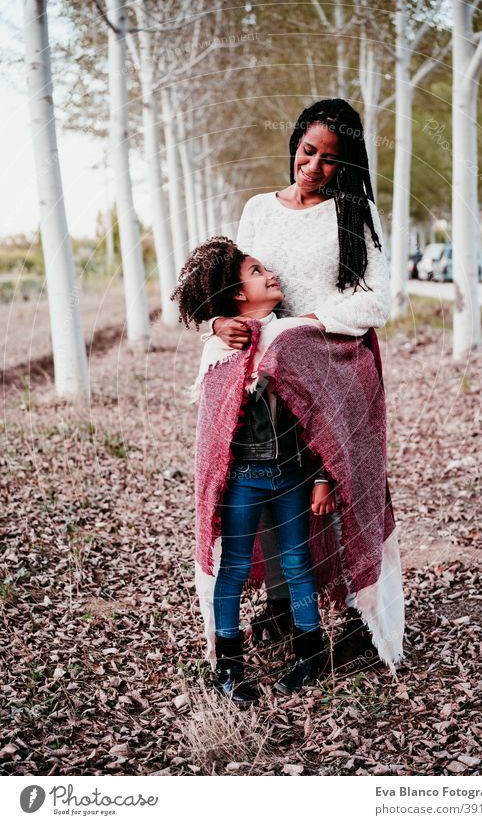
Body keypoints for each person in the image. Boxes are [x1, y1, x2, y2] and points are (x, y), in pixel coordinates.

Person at [202, 98, 392, 668]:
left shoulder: (353, 213)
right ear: (294, 146)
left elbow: (379, 298)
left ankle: (358, 613)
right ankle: (285, 607)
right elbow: (226, 284)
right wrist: (218, 322)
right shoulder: (259, 209)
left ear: (348, 166)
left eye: (330, 160)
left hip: (331, 366)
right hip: (261, 374)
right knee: (261, 484)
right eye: (307, 152)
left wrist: (306, 326)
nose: (313, 167)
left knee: (334, 485)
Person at [171, 236, 337, 704]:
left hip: (292, 477)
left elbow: (320, 413)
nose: (271, 275)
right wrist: (216, 325)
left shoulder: (296, 337)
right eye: (258, 272)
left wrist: (323, 475)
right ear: (239, 294)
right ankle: (228, 665)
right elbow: (215, 427)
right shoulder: (219, 348)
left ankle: (309, 653)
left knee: (298, 564)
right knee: (234, 568)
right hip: (241, 480)